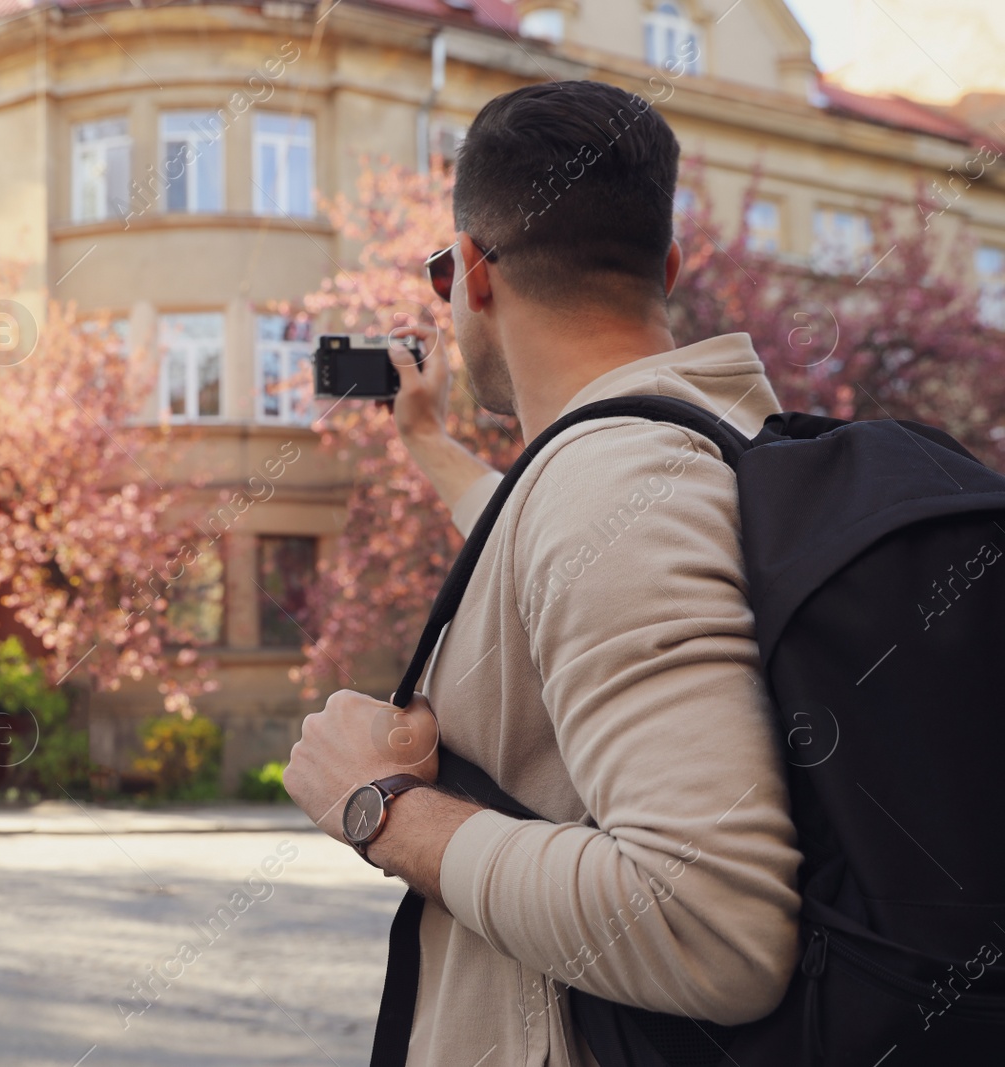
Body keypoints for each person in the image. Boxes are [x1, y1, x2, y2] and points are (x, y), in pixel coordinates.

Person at [282, 80, 802, 1067]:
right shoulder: (699, 447)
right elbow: (564, 563)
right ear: (670, 269)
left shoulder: (611, 478)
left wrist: (382, 808)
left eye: (445, 270)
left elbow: (711, 921)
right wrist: (432, 444)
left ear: (473, 274)